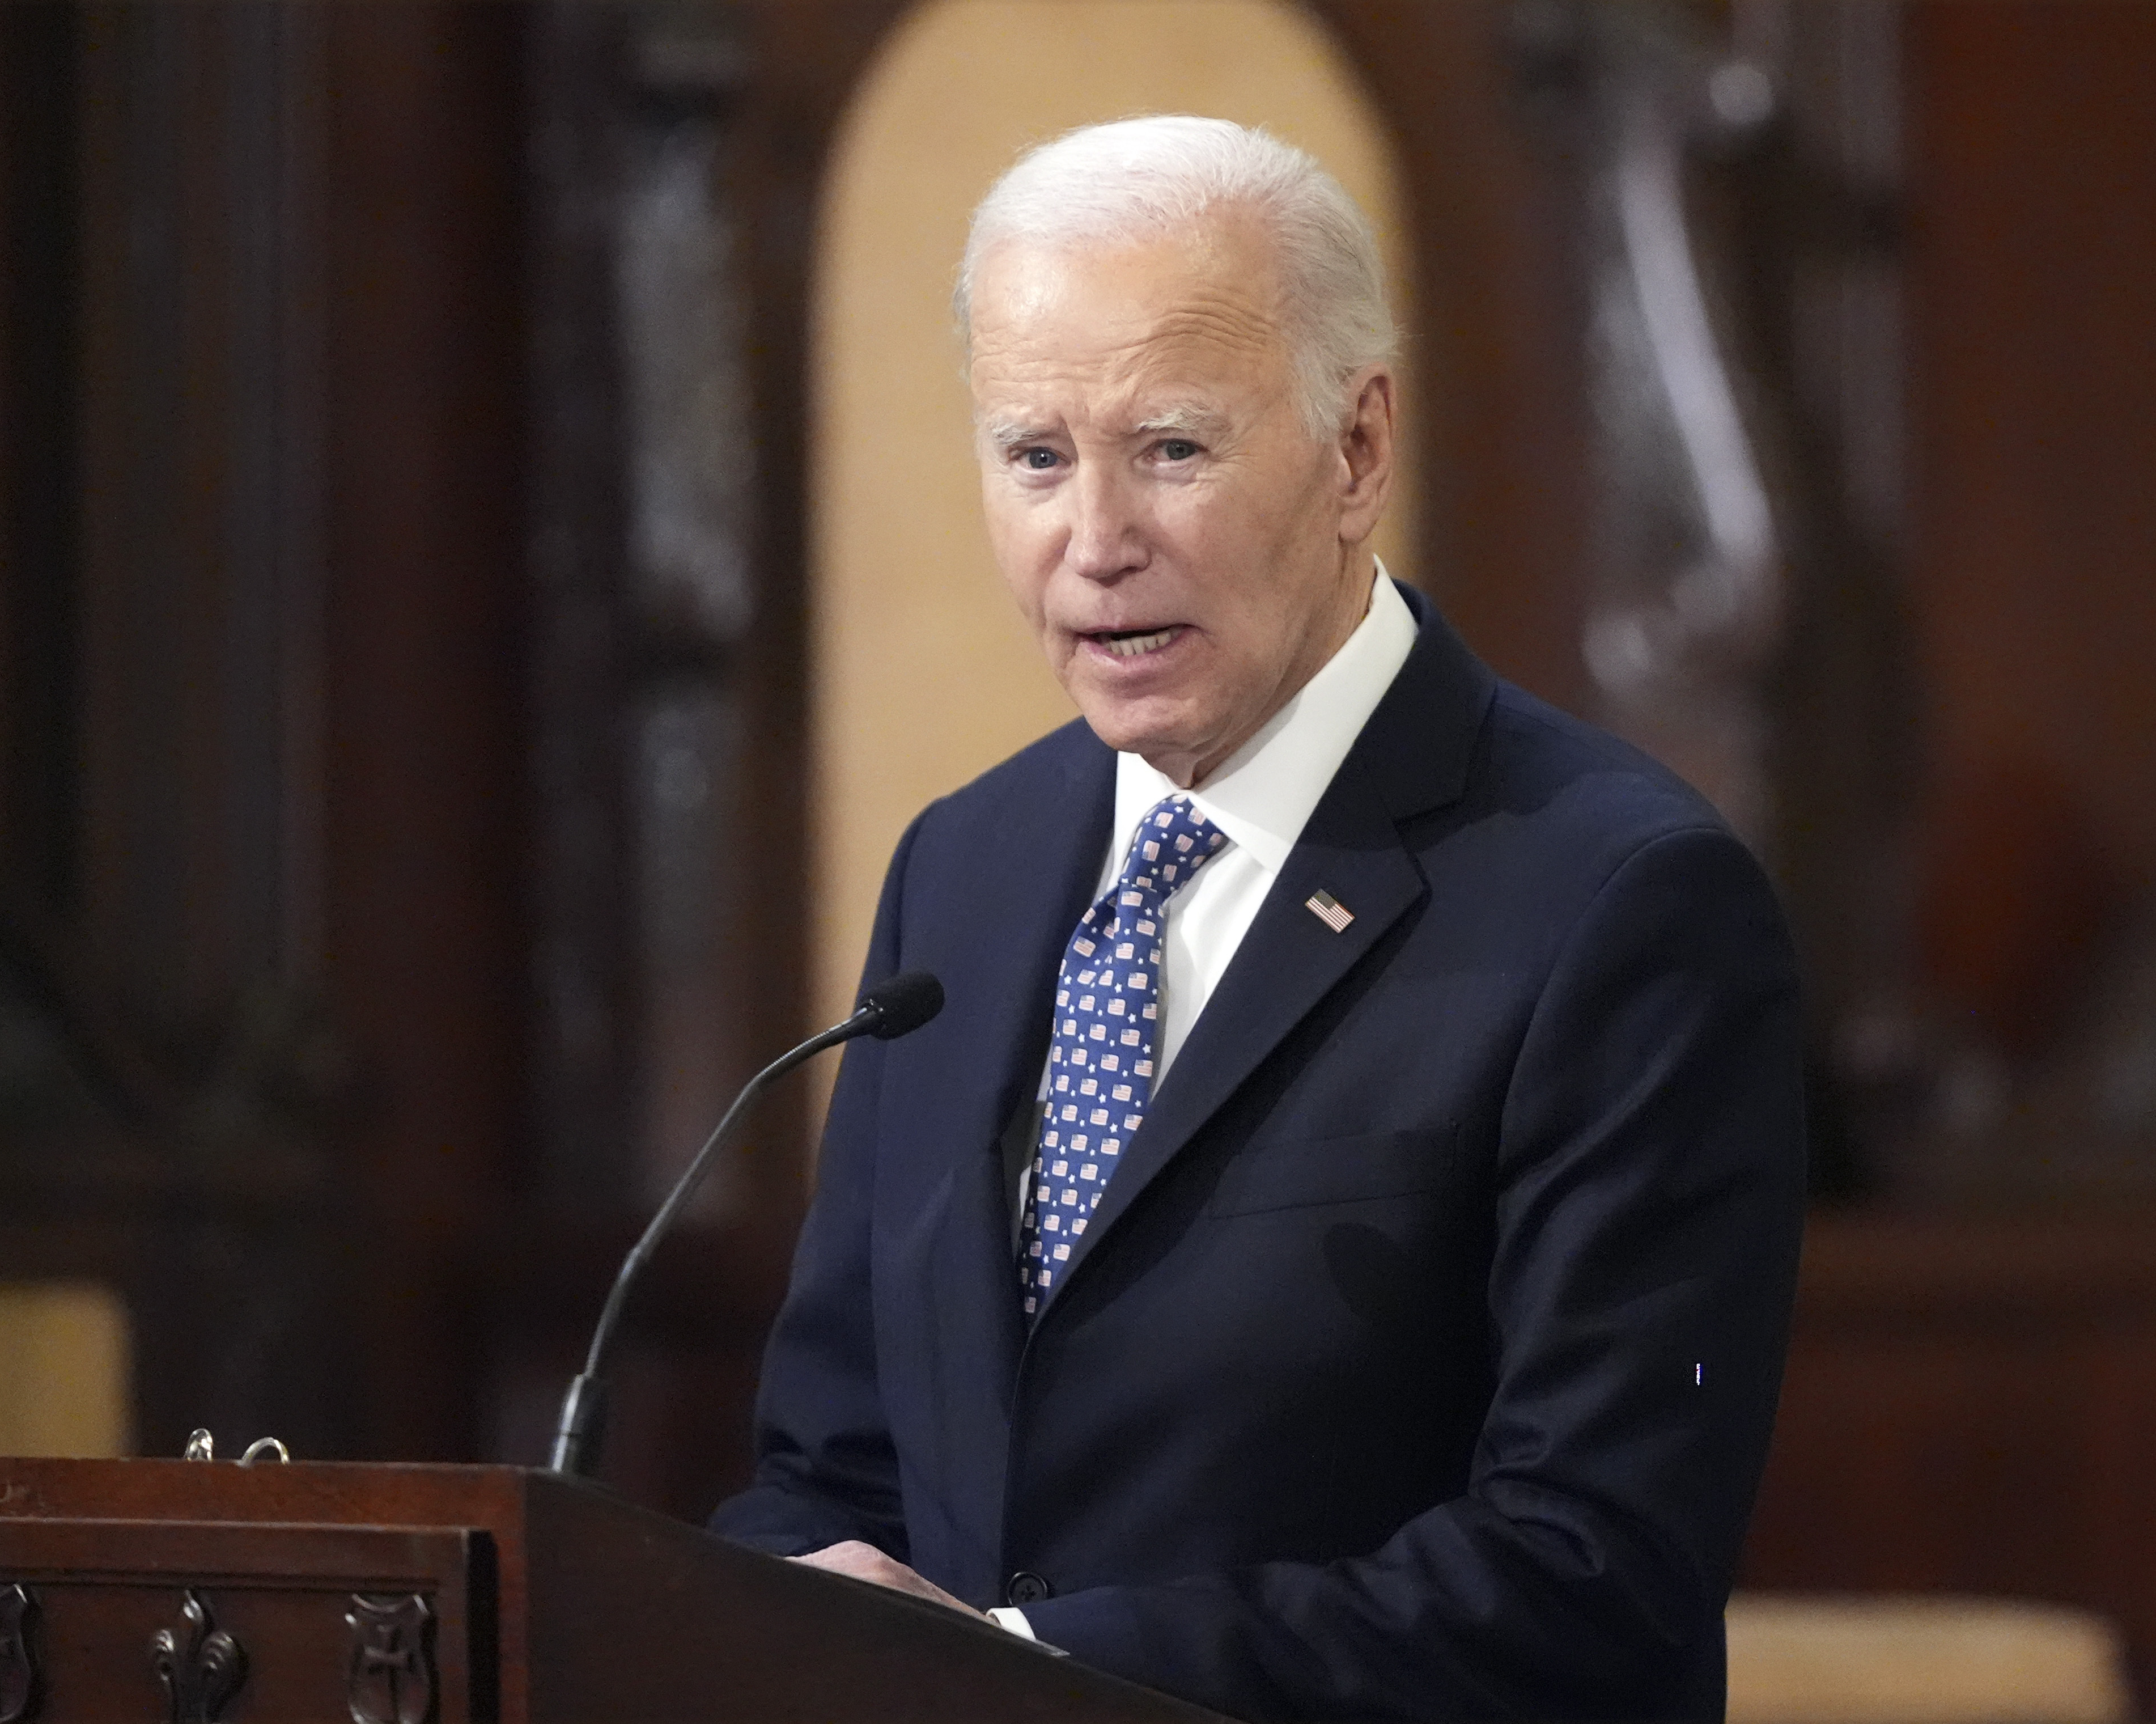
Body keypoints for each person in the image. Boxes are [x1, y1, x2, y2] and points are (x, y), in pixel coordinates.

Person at [709, 115, 1806, 1722]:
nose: (1091, 542)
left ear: (1357, 449)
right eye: (1033, 455)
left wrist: (1013, 1675)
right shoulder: (965, 864)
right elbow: (833, 1467)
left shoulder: (1619, 900)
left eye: (1170, 448)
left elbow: (1592, 1571)